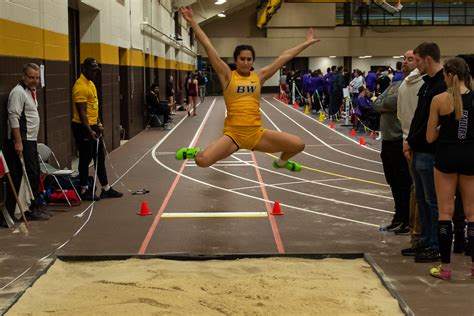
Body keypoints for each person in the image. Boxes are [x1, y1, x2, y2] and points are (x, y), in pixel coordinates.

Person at [175, 6, 319, 171]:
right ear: (236, 61)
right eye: (242, 59)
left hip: (256, 134)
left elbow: (284, 56)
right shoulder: (228, 76)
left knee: (298, 145)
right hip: (233, 136)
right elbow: (208, 46)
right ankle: (196, 151)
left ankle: (281, 163)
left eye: (249, 59)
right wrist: (192, 21)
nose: (245, 62)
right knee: (202, 161)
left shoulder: (259, 76)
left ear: (253, 61)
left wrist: (306, 44)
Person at [426, 57, 474, 280]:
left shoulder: (439, 100)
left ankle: (445, 268)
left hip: (445, 157)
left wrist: (441, 128)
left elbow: (429, 138)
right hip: (470, 156)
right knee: (472, 213)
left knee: (445, 213)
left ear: (448, 75)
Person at [404, 42, 446, 263]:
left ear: (428, 59)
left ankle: (435, 245)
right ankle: (426, 240)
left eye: (418, 60)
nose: (415, 64)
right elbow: (418, 117)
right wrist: (409, 141)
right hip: (418, 148)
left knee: (432, 201)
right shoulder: (427, 84)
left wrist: (411, 140)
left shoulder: (442, 85)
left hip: (429, 151)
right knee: (422, 199)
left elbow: (432, 123)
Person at [373, 51, 413, 235]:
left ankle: (406, 220)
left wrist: (384, 103)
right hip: (387, 141)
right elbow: (378, 103)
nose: (405, 62)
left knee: (403, 182)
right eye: (404, 59)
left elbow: (387, 102)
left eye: (410, 59)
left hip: (400, 140)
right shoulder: (396, 84)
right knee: (392, 181)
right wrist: (384, 103)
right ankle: (398, 217)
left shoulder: (412, 86)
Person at [71, 57, 123, 201]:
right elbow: (82, 113)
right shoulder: (80, 86)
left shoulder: (91, 84)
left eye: (96, 70)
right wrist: (89, 131)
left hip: (93, 125)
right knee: (85, 158)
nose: (95, 73)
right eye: (92, 70)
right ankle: (84, 189)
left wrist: (98, 123)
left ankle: (106, 188)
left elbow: (94, 107)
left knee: (99, 158)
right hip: (82, 127)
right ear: (84, 70)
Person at [5, 63, 49, 221]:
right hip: (22, 140)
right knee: (27, 174)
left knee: (34, 174)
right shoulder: (18, 92)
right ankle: (27, 209)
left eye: (37, 78)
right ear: (24, 76)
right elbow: (13, 117)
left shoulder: (32, 91)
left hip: (30, 140)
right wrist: (18, 142)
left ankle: (33, 205)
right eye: (31, 77)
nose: (35, 81)